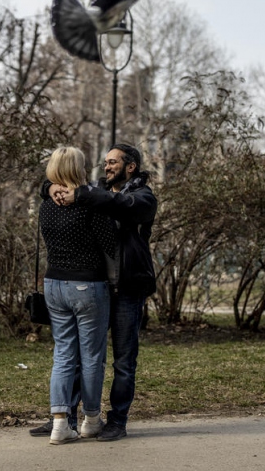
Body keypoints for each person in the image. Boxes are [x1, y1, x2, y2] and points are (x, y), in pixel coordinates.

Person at [47, 143, 158, 442]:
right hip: (94, 287)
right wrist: (51, 187)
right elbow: (66, 184)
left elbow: (120, 205)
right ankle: (65, 418)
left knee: (123, 360)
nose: (106, 167)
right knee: (79, 356)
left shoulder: (143, 197)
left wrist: (81, 194)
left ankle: (117, 421)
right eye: (105, 162)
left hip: (126, 290)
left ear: (130, 166)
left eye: (112, 162)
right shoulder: (96, 190)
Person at [37, 146, 118, 445]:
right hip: (87, 286)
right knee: (92, 356)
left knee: (63, 354)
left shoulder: (46, 205)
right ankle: (91, 420)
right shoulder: (89, 205)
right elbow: (110, 243)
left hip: (54, 284)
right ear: (78, 168)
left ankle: (60, 424)